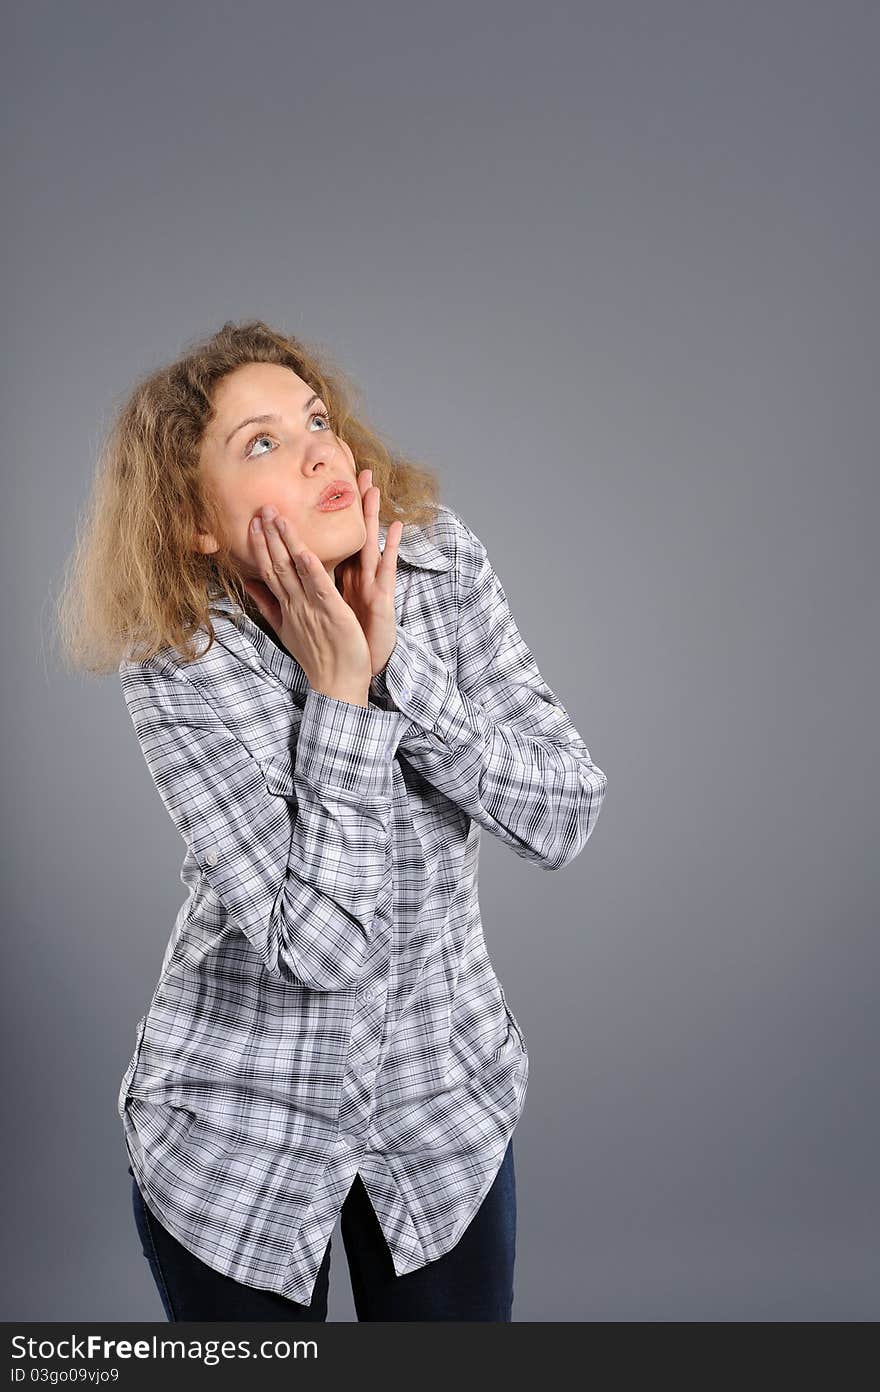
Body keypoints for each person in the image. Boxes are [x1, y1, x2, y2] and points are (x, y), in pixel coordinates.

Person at [56, 318, 608, 1320]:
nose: (321, 449)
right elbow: (319, 952)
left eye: (316, 419)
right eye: (260, 443)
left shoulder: (439, 568)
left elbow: (565, 814)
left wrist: (400, 672)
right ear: (196, 524)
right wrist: (342, 696)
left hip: (441, 1114)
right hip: (238, 1137)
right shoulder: (181, 661)